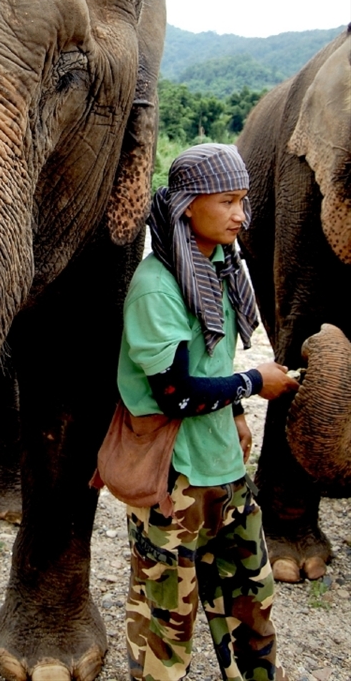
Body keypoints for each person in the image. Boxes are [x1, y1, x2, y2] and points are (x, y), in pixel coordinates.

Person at [117, 143, 298, 681]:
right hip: (176, 482)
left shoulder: (219, 264)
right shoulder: (158, 287)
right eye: (227, 201)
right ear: (188, 205)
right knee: (166, 619)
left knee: (251, 597)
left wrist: (237, 409)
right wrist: (252, 381)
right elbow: (175, 392)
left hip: (225, 469)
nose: (241, 215)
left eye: (244, 201)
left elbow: (210, 357)